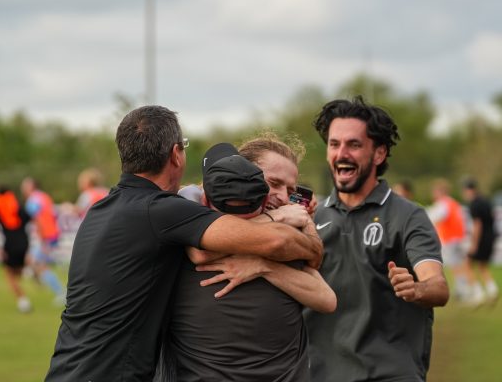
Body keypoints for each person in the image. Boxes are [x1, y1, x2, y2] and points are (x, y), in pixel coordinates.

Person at [44, 105, 322, 382]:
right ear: (176, 155)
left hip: (67, 368)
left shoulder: (102, 209)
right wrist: (284, 217)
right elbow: (267, 242)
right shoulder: (163, 210)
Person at [160, 141, 334, 381]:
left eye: (290, 189)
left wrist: (265, 267)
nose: (283, 196)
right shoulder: (189, 217)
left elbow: (326, 298)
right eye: (273, 183)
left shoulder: (286, 237)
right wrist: (274, 219)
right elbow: (200, 252)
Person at [303, 96, 449, 382]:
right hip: (319, 373)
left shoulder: (408, 216)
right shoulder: (310, 218)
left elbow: (438, 288)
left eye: (354, 145)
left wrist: (417, 289)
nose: (341, 153)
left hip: (389, 373)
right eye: (334, 144)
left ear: (379, 153)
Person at [428, 178, 481, 304]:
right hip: (459, 238)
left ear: (439, 192)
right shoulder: (453, 202)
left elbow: (434, 217)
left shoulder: (443, 204)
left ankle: (466, 291)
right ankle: (467, 290)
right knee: (461, 266)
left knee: (457, 267)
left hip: (450, 240)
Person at [21, 177, 66, 306]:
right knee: (34, 262)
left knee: (38, 265)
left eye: (25, 185)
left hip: (46, 236)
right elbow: (52, 215)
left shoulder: (32, 200)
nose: (23, 188)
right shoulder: (44, 196)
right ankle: (42, 278)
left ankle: (61, 292)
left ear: (31, 187)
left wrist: (42, 239)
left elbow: (38, 219)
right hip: (52, 234)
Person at [0, 186, 32, 313]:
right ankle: (28, 271)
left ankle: (23, 301)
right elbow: (32, 220)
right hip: (24, 243)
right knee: (17, 272)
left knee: (9, 275)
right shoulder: (18, 206)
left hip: (10, 245)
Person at [461, 177, 499, 303]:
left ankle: (478, 293)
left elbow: (478, 225)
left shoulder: (474, 204)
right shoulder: (485, 200)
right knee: (483, 265)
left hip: (481, 239)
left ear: (467, 190)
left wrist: (474, 244)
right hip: (491, 237)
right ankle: (492, 289)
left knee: (467, 264)